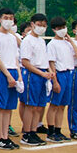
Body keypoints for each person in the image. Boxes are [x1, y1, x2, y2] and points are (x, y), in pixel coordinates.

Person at [17, 13, 54, 146]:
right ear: (32, 24)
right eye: (39, 25)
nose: (41, 28)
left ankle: (34, 131)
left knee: (38, 106)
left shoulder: (41, 41)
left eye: (44, 25)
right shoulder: (28, 40)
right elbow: (26, 62)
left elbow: (44, 60)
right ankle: (27, 133)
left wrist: (49, 73)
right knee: (30, 106)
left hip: (42, 74)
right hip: (32, 75)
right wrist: (41, 73)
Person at [0, 7, 23, 150]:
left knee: (9, 107)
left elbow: (15, 58)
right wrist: (8, 75)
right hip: (2, 73)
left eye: (11, 18)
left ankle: (5, 136)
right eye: (5, 17)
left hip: (13, 72)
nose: (8, 21)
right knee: (0, 106)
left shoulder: (12, 38)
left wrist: (19, 76)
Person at [44, 17, 75, 142]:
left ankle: (58, 130)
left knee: (62, 105)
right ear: (54, 30)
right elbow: (51, 63)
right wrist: (55, 81)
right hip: (59, 74)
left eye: (63, 27)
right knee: (54, 105)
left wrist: (71, 41)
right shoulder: (52, 44)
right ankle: (51, 131)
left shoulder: (67, 43)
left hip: (68, 74)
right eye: (59, 28)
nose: (62, 30)